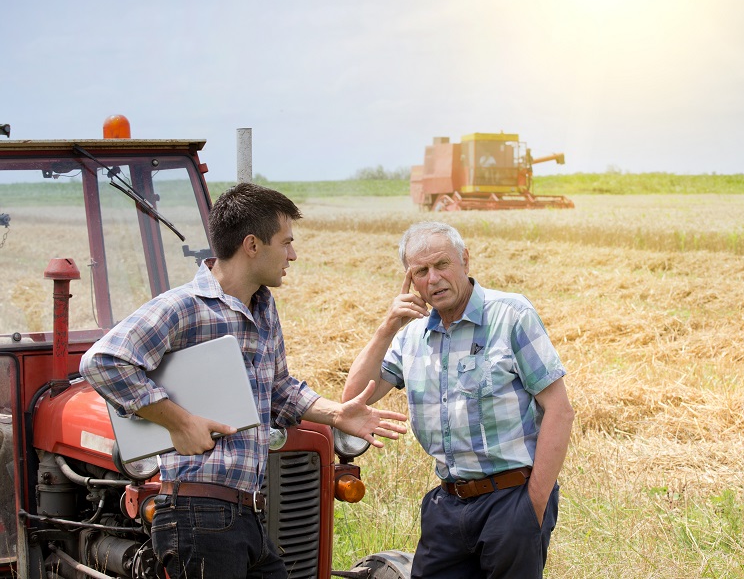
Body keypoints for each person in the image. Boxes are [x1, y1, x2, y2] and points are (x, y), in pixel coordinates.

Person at [80, 183, 407, 579]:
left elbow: (280, 391)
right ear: (252, 245)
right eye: (286, 242)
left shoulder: (264, 310)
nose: (293, 254)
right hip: (197, 511)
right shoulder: (184, 306)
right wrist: (180, 423)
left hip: (244, 511)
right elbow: (103, 362)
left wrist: (337, 414)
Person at [343, 221, 574, 579]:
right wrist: (388, 325)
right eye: (421, 271)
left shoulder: (510, 315)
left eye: (442, 265)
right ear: (410, 280)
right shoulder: (412, 336)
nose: (433, 279)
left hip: (511, 497)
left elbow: (560, 410)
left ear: (465, 259)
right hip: (448, 503)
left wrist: (533, 504)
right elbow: (354, 399)